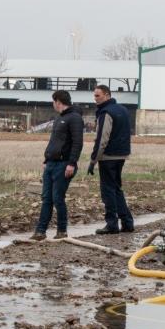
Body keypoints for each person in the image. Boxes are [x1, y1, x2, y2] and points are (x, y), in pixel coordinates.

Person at [31, 90, 84, 241]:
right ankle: (40, 232)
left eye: (53, 101)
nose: (53, 104)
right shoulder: (59, 119)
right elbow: (54, 141)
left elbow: (77, 143)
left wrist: (72, 163)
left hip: (64, 164)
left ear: (58, 101)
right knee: (46, 198)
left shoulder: (74, 118)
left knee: (57, 198)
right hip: (51, 164)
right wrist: (46, 159)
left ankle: (62, 231)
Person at [87, 85, 133, 234]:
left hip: (108, 157)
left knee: (108, 190)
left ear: (107, 95)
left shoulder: (106, 113)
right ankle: (127, 222)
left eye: (98, 96)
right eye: (94, 96)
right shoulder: (123, 110)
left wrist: (93, 160)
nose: (95, 99)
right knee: (116, 189)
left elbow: (102, 139)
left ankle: (111, 224)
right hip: (122, 155)